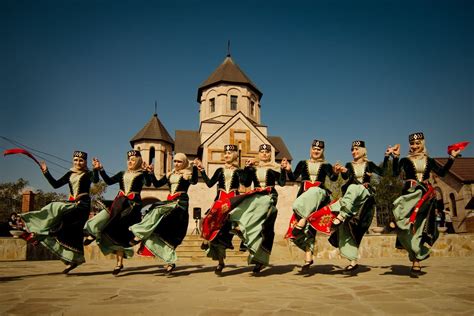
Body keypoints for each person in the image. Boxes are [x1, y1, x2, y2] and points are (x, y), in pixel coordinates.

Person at [391, 132, 459, 276]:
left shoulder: (429, 160)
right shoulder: (405, 160)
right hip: (409, 194)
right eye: (412, 144)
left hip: (425, 196)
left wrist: (451, 158)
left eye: (418, 143)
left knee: (419, 228)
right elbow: (395, 173)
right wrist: (395, 157)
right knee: (402, 220)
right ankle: (394, 221)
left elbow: (441, 173)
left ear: (422, 144)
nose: (415, 146)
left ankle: (416, 262)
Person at [19, 151, 99, 274]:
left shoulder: (88, 174)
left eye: (81, 160)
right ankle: (71, 260)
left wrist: (96, 169)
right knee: (68, 230)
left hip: (82, 205)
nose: (78, 162)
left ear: (85, 162)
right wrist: (46, 172)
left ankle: (42, 235)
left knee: (63, 222)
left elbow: (96, 180)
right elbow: (55, 185)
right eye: (76, 160)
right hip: (71, 204)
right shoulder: (70, 174)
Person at [221, 143, 287, 274]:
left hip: (269, 197)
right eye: (261, 152)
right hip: (255, 197)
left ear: (270, 154)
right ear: (259, 154)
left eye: (267, 152)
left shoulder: (275, 168)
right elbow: (245, 183)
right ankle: (255, 256)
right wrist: (247, 168)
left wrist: (284, 169)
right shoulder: (254, 169)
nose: (264, 154)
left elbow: (282, 183)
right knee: (247, 215)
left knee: (264, 225)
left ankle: (244, 228)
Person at [129, 153, 198, 274]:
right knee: (161, 230)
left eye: (179, 162)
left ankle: (139, 232)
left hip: (180, 203)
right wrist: (149, 172)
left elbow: (195, 181)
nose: (176, 164)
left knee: (156, 208)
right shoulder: (170, 174)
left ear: (184, 163)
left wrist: (196, 168)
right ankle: (170, 261)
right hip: (170, 202)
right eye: (175, 161)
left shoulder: (187, 174)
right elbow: (156, 184)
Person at [84, 150, 150, 275]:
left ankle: (119, 256)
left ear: (139, 161)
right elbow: (108, 181)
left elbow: (148, 183)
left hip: (132, 206)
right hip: (118, 203)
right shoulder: (122, 173)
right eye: (129, 159)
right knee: (111, 225)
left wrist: (147, 172)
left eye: (133, 160)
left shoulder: (141, 175)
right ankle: (118, 262)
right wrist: (100, 169)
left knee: (119, 229)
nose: (130, 162)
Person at [328, 140, 389, 274]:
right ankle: (353, 262)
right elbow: (345, 176)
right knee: (347, 229)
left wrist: (387, 156)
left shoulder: (369, 164)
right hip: (352, 202)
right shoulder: (349, 165)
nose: (354, 152)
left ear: (363, 150)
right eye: (352, 150)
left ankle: (341, 215)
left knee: (355, 188)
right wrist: (340, 171)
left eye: (357, 149)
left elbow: (383, 172)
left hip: (365, 198)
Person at [283, 139, 338, 273]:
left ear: (322, 151)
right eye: (314, 148)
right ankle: (308, 258)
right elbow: (293, 177)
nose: (316, 151)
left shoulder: (326, 165)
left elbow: (333, 178)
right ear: (310, 149)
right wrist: (288, 170)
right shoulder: (302, 163)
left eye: (319, 149)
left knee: (313, 192)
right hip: (304, 198)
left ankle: (302, 220)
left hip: (319, 196)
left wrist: (336, 172)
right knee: (308, 229)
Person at [194, 145, 246, 275]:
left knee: (227, 233)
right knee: (207, 219)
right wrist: (202, 171)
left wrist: (249, 169)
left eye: (229, 153)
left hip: (233, 201)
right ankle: (219, 260)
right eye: (225, 153)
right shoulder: (219, 170)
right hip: (220, 200)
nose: (226, 155)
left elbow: (246, 182)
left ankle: (245, 241)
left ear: (234, 155)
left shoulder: (239, 172)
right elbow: (210, 184)